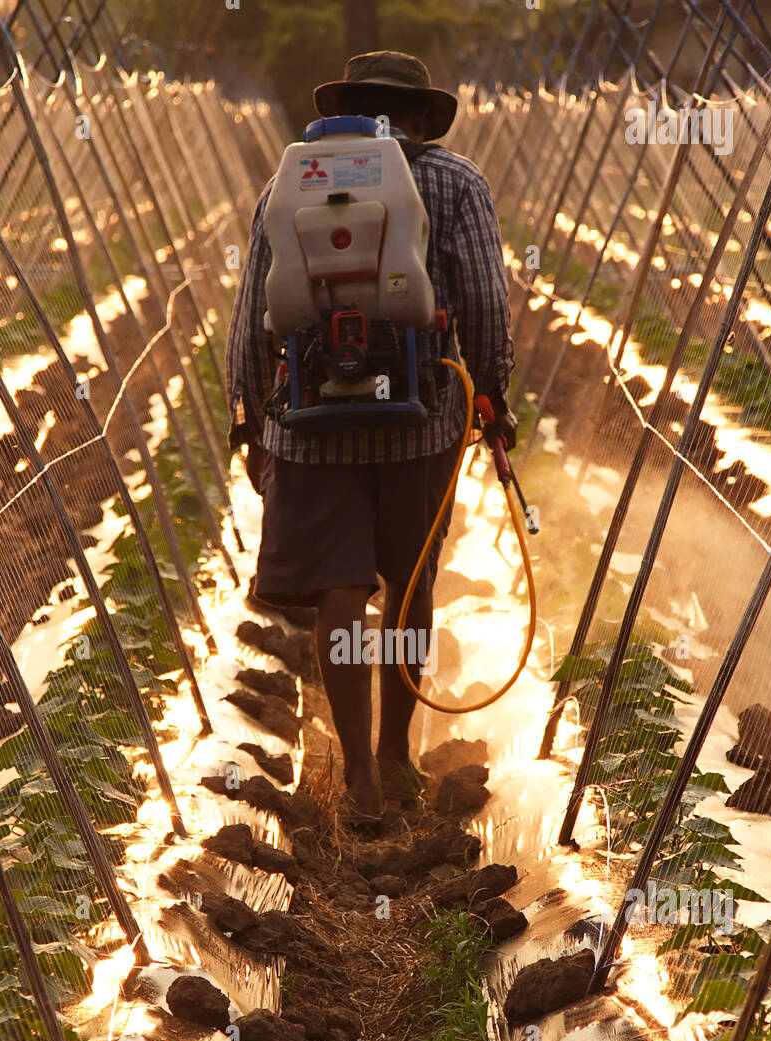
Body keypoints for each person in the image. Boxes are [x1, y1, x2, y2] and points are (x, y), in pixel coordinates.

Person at [226, 50, 515, 826]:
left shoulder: (288, 185)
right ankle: (395, 754)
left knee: (340, 590)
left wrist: (249, 416)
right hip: (418, 424)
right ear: (421, 117)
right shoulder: (454, 182)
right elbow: (485, 302)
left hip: (313, 424)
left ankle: (358, 776)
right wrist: (490, 393)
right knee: (410, 585)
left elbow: (257, 309)